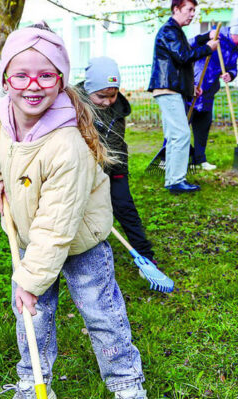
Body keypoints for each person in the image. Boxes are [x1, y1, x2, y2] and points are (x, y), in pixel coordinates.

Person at [0, 24, 147, 399]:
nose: (32, 86)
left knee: (101, 314)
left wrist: (29, 280)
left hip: (80, 242)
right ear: (5, 79)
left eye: (46, 75)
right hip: (31, 236)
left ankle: (128, 388)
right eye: (21, 75)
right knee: (31, 317)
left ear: (61, 79)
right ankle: (35, 386)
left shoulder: (68, 145)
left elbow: (57, 227)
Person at [77, 57, 156, 263]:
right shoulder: (73, 106)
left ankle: (145, 255)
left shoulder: (117, 108)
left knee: (125, 207)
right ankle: (79, 255)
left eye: (112, 95)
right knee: (80, 212)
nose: (107, 101)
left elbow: (117, 142)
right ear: (88, 89)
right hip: (82, 172)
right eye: (101, 96)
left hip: (114, 167)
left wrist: (118, 170)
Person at [148, 0, 218, 193]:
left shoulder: (176, 31)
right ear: (176, 9)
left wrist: (191, 87)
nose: (192, 14)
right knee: (181, 134)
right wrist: (208, 48)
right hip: (167, 89)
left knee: (174, 136)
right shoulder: (169, 31)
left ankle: (172, 180)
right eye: (189, 9)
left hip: (171, 88)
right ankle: (176, 181)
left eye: (194, 10)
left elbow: (178, 63)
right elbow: (183, 56)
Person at [187, 17, 238, 171]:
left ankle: (199, 160)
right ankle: (170, 158)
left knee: (203, 127)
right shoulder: (215, 36)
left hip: (209, 91)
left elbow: (233, 67)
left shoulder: (234, 50)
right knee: (181, 127)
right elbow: (187, 46)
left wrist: (231, 74)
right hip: (193, 88)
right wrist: (206, 39)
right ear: (236, 33)